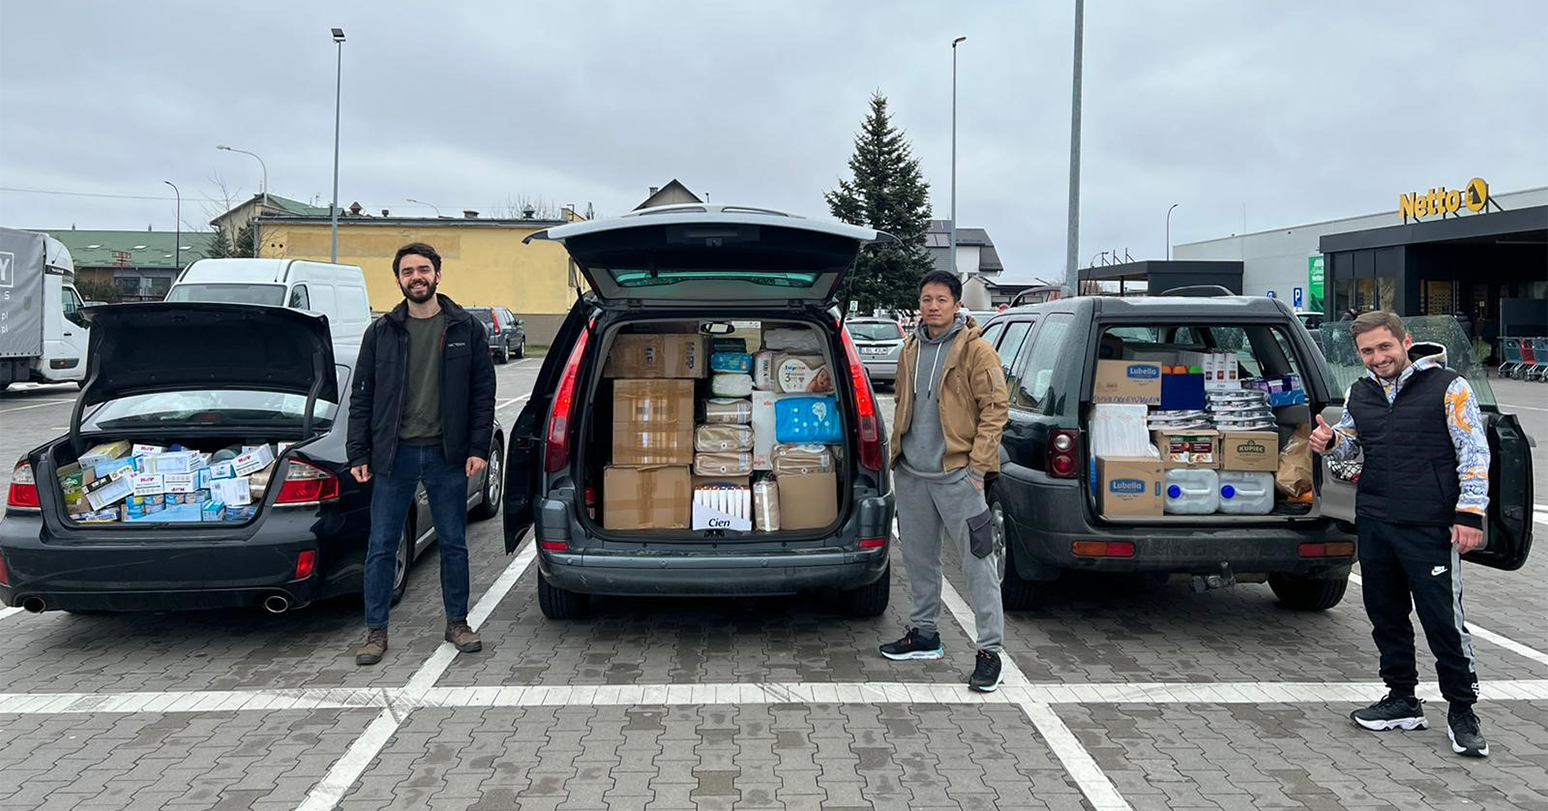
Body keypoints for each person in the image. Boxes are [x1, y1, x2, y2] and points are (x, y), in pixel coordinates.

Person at [1311, 310, 1490, 757]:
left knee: (1442, 621)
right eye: (1367, 351)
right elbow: (1351, 447)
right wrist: (1331, 443)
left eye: (1384, 347)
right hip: (1376, 520)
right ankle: (1402, 699)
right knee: (1386, 615)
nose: (1377, 357)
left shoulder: (1449, 386)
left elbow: (1473, 452)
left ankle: (1462, 711)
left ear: (1405, 342)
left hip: (1430, 524)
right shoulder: (1360, 391)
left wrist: (1470, 515)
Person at [348, 242, 497, 666]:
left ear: (437, 275)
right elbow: (362, 395)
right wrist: (358, 452)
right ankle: (376, 631)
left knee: (454, 544)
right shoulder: (381, 332)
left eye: (424, 270)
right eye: (408, 271)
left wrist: (478, 447)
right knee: (382, 545)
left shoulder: (466, 328)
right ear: (398, 279)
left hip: (447, 455)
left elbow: (483, 392)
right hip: (394, 456)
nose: (417, 277)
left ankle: (457, 623)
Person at [879, 270, 1010, 692]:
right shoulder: (911, 347)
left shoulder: (977, 351)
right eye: (926, 299)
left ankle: (989, 651)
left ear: (957, 304)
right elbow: (903, 402)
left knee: (978, 564)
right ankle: (925, 635)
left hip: (958, 476)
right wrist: (897, 458)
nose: (932, 306)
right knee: (919, 560)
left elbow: (996, 410)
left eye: (941, 299)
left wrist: (978, 468)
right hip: (912, 475)